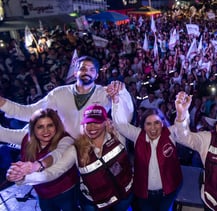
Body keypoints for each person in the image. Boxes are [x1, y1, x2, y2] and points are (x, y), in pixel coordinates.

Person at [12, 104, 134, 210]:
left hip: (125, 197)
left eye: (96, 122)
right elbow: (55, 171)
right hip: (95, 204)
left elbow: (126, 115)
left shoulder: (118, 136)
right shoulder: (76, 149)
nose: (91, 127)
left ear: (105, 122)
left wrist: (118, 97)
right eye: (88, 123)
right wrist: (24, 178)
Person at [0, 55, 133, 141]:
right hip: (68, 148)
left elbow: (126, 117)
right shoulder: (59, 93)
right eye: (83, 68)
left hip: (97, 148)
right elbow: (31, 112)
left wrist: (122, 92)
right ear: (76, 72)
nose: (87, 72)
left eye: (92, 70)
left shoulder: (105, 93)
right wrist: (3, 104)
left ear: (97, 75)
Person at [112, 95, 183, 211]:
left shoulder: (170, 134)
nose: (153, 128)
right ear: (143, 125)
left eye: (157, 123)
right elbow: (120, 125)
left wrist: (182, 112)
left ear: (163, 123)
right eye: (148, 124)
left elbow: (182, 128)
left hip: (168, 192)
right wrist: (116, 102)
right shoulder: (138, 136)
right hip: (144, 194)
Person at [4, 108, 79, 210]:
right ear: (33, 128)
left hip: (65, 191)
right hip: (42, 193)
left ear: (56, 126)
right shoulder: (27, 141)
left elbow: (58, 153)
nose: (46, 131)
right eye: (40, 127)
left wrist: (39, 164)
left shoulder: (66, 139)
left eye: (50, 125)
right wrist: (15, 174)